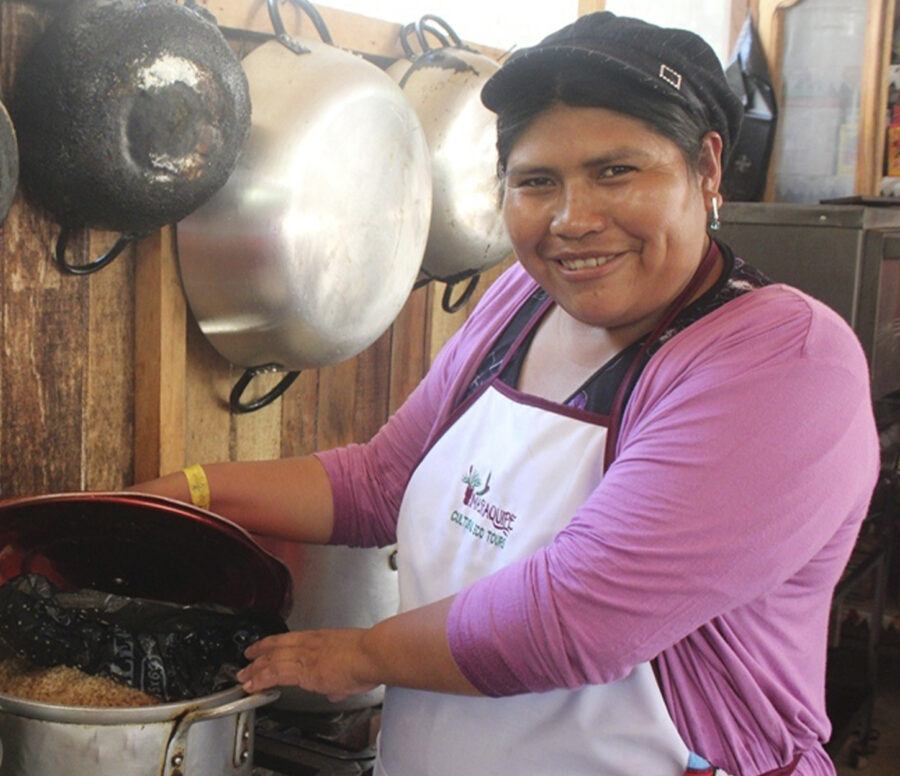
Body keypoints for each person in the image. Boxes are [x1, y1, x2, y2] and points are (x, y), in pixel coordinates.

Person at [131, 11, 881, 776]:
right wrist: (179, 498)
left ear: (708, 168)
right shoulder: (524, 302)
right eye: (536, 182)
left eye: (617, 171)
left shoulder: (785, 361)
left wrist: (360, 655)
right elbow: (382, 482)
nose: (573, 220)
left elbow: (576, 620)